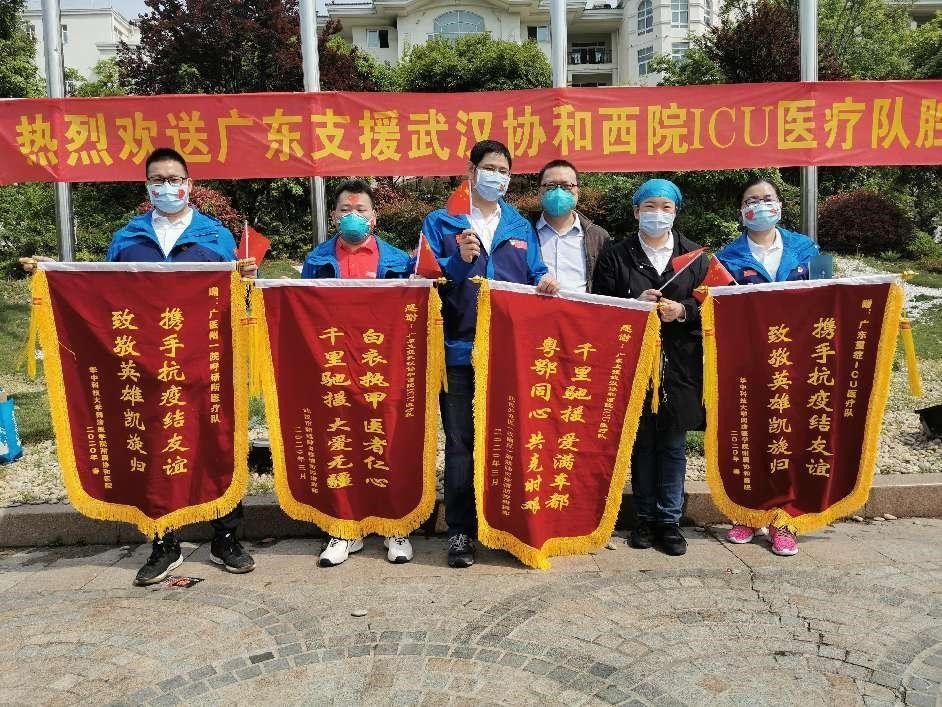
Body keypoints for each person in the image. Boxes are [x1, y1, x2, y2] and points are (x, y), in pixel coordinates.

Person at [22, 147, 257, 586]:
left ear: (189, 184)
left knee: (216, 439)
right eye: (158, 180)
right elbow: (104, 293)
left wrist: (246, 279)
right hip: (145, 366)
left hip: (203, 363)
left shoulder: (215, 236)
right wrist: (54, 275)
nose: (167, 187)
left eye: (174, 179)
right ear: (147, 186)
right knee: (154, 444)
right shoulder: (127, 238)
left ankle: (225, 537)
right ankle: (163, 542)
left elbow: (234, 298)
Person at [420, 140, 560, 568]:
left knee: (509, 439)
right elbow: (423, 280)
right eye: (490, 168)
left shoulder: (519, 226)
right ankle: (460, 531)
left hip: (508, 354)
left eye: (504, 170)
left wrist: (545, 281)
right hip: (459, 352)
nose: (496, 176)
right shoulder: (441, 221)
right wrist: (458, 262)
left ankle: (503, 524)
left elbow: (535, 273)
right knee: (461, 444)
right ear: (471, 171)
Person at [300, 179, 416, 566]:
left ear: (374, 217)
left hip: (384, 367)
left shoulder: (398, 260)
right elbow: (300, 312)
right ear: (334, 217)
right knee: (340, 442)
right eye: (345, 210)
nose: (353, 215)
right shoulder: (317, 261)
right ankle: (343, 528)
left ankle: (395, 526)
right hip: (334, 366)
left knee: (389, 441)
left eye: (360, 210)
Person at [592, 178, 707, 557]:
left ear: (676, 212)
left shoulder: (695, 256)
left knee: (673, 444)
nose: (658, 214)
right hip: (634, 362)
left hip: (679, 365)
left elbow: (710, 304)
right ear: (636, 212)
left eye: (666, 207)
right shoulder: (616, 255)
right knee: (641, 442)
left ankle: (669, 521)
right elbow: (600, 306)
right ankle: (643, 516)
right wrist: (634, 305)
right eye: (650, 207)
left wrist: (683, 310)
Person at [715, 177, 821, 557]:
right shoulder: (726, 257)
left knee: (791, 436)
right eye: (752, 200)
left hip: (796, 359)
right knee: (752, 433)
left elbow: (828, 296)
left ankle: (785, 519)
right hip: (749, 360)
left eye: (767, 198)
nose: (760, 205)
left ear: (779, 205)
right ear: (741, 211)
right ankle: (749, 512)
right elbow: (717, 308)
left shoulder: (807, 248)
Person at [532, 159, 611, 293]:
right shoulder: (522, 232)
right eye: (550, 185)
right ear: (540, 191)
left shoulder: (599, 237)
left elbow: (606, 286)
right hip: (532, 305)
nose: (558, 191)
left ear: (577, 191)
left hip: (581, 307)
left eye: (566, 185)